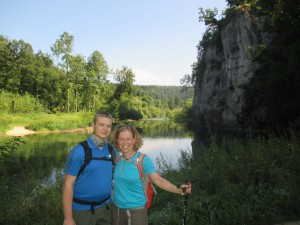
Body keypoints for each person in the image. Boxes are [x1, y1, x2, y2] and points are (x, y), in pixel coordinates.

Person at [110, 124, 192, 225]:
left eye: (128, 139)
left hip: (137, 211)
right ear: (117, 140)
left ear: (134, 139)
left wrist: (179, 190)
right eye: (121, 139)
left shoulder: (142, 160)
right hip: (117, 209)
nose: (125, 142)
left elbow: (158, 180)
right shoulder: (118, 157)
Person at [63, 111, 117, 225]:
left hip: (106, 208)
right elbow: (68, 184)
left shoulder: (112, 150)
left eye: (108, 126)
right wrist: (68, 218)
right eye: (101, 125)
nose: (105, 129)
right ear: (93, 125)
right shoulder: (79, 151)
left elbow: (123, 166)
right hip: (82, 211)